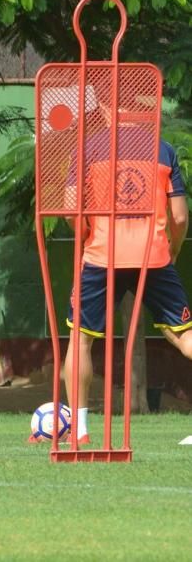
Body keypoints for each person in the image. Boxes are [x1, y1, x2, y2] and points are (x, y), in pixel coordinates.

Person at [62, 102, 192, 444]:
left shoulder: (85, 149)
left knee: (81, 340)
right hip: (154, 255)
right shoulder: (163, 150)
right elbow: (179, 216)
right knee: (184, 336)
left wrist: (89, 239)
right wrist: (173, 250)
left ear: (107, 109)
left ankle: (80, 430)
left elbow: (71, 212)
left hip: (101, 255)